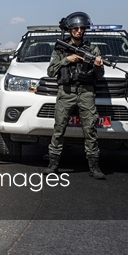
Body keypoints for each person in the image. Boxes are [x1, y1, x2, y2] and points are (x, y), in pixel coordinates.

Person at [46, 12, 106, 179]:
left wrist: (97, 65)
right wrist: (68, 59)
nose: (78, 31)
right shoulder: (60, 49)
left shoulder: (92, 49)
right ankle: (53, 163)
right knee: (59, 128)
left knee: (90, 130)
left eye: (81, 28)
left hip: (86, 92)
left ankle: (94, 166)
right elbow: (50, 71)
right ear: (70, 30)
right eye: (75, 28)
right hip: (66, 92)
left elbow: (99, 75)